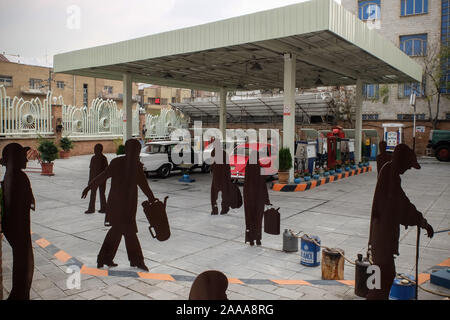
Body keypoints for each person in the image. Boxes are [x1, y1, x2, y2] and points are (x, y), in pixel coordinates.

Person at [367, 144, 434, 300]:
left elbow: (401, 205)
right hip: (383, 240)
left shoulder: (387, 170)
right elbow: (402, 206)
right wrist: (422, 221)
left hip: (378, 238)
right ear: (402, 161)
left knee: (379, 281)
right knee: (383, 279)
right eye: (408, 165)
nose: (408, 169)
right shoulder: (391, 177)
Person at [82, 139, 156, 271]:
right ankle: (135, 261)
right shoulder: (119, 163)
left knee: (119, 233)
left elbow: (144, 186)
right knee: (127, 233)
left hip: (127, 206)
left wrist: (152, 199)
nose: (136, 153)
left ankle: (106, 259)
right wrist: (89, 187)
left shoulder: (136, 166)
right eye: (135, 150)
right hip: (118, 206)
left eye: (137, 150)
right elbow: (103, 176)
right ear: (128, 151)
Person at [1, 143, 35, 300]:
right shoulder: (19, 177)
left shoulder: (9, 176)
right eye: (22, 156)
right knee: (25, 266)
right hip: (20, 229)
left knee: (22, 265)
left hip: (14, 229)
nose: (26, 159)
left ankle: (19, 294)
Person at [243, 150, 270, 246]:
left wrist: (245, 199)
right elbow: (263, 186)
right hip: (259, 199)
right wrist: (267, 200)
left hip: (249, 199)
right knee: (258, 219)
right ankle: (258, 239)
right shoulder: (261, 169)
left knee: (250, 219)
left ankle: (251, 240)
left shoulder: (247, 169)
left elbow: (245, 186)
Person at [210, 143, 233, 215]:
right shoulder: (224, 153)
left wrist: (212, 170)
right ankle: (224, 209)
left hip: (216, 177)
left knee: (213, 194)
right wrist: (229, 176)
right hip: (224, 177)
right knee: (225, 193)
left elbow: (212, 164)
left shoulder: (213, 153)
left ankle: (214, 209)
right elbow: (227, 166)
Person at [85, 144, 108, 214]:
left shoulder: (103, 158)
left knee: (101, 193)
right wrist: (90, 180)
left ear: (100, 150)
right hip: (95, 179)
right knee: (93, 194)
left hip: (101, 179)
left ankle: (103, 208)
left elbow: (106, 170)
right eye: (95, 149)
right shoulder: (93, 158)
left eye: (96, 149)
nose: (95, 151)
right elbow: (91, 170)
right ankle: (92, 209)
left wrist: (104, 178)